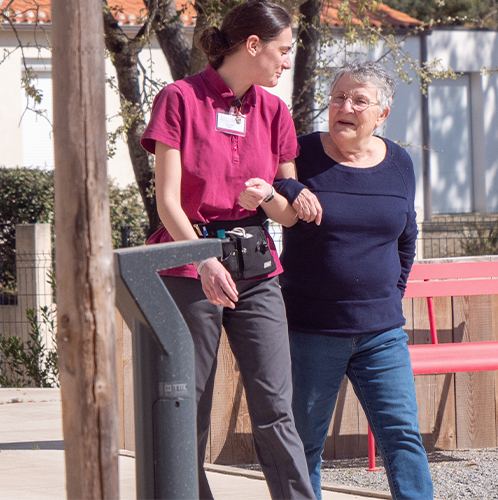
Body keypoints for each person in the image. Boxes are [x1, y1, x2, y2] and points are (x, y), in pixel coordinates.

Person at [140, 1, 319, 498]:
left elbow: (286, 214)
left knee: (275, 405)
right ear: (253, 45)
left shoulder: (275, 111)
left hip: (258, 263)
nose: (287, 61)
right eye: (282, 51)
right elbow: (167, 203)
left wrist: (270, 197)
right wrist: (203, 259)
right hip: (187, 260)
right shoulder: (179, 98)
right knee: (188, 402)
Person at [275, 60, 434, 500]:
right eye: (338, 97)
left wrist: (391, 295)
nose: (345, 107)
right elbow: (267, 189)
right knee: (304, 445)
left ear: (381, 114)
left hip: (381, 333)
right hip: (311, 330)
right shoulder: (300, 154)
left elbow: (408, 235)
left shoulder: (399, 161)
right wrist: (288, 189)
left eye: (359, 100)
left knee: (403, 438)